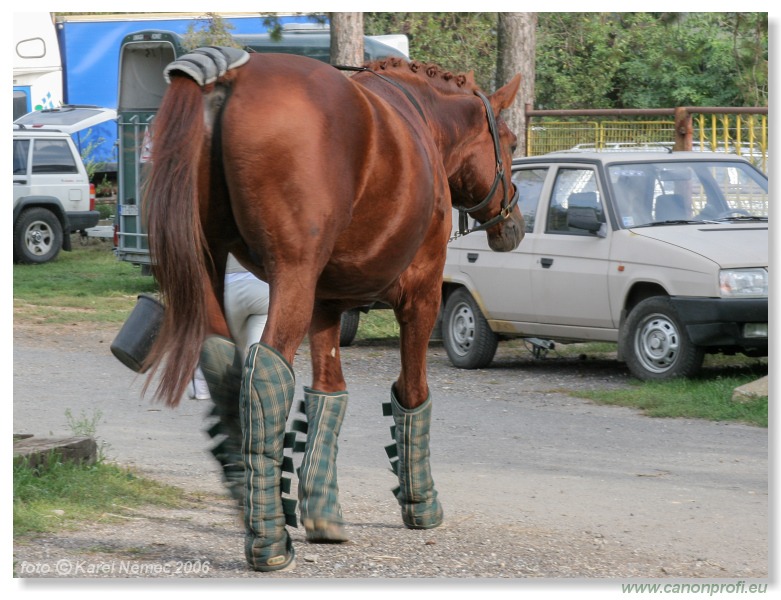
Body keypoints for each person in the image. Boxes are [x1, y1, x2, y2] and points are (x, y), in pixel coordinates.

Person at [187, 253, 270, 399]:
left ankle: (201, 382)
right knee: (255, 353)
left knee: (227, 346)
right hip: (265, 288)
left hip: (229, 287)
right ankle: (252, 394)